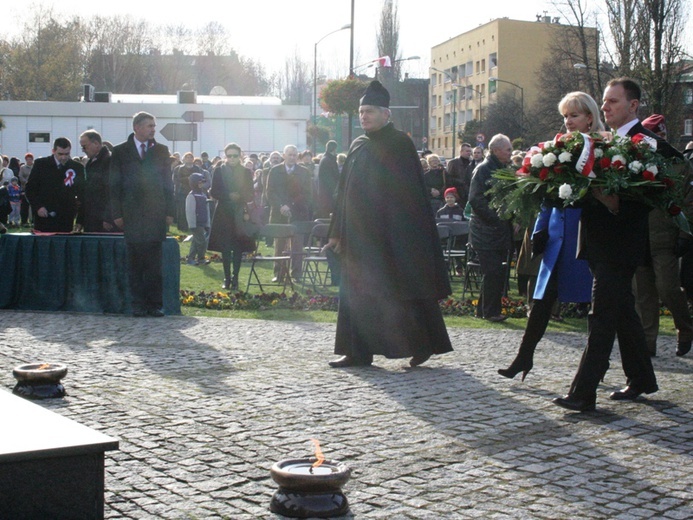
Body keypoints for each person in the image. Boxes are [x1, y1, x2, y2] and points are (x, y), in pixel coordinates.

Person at [324, 80, 453, 368]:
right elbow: (343, 194)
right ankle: (356, 350)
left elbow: (409, 196)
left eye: (369, 111)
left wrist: (398, 233)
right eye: (361, 111)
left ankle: (423, 344)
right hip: (358, 238)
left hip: (394, 237)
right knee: (356, 293)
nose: (364, 116)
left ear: (386, 114)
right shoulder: (358, 145)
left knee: (402, 291)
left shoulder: (400, 144)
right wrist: (336, 232)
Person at [553, 78, 662, 412]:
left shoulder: (645, 142)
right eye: (604, 102)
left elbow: (651, 193)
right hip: (598, 241)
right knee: (624, 314)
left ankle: (584, 390)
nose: (605, 107)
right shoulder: (601, 140)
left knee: (601, 317)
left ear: (633, 105)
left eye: (613, 102)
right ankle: (642, 377)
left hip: (621, 244)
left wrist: (614, 202)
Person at [498, 91, 599, 381]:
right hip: (557, 234)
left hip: (584, 234)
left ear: (589, 117)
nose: (568, 121)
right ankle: (523, 357)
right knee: (542, 298)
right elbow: (546, 193)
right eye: (565, 116)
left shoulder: (600, 147)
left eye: (574, 115)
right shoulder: (555, 148)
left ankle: (601, 365)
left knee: (601, 305)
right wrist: (541, 228)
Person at [632, 114, 692, 357]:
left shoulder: (678, 164)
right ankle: (647, 346)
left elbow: (688, 201)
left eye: (661, 135)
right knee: (643, 295)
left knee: (668, 288)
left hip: (665, 236)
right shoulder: (632, 162)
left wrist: (685, 234)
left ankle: (685, 328)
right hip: (639, 236)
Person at [110, 111, 174, 318]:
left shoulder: (161, 151)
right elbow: (113, 185)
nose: (153, 130)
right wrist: (117, 213)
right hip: (131, 215)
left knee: (154, 264)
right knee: (135, 263)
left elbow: (167, 183)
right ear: (137, 127)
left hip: (155, 214)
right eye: (149, 126)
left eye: (154, 126)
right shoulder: (120, 152)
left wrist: (170, 212)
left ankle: (155, 305)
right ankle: (137, 304)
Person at [468, 134, 514, 322]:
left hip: (497, 230)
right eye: (508, 149)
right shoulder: (483, 169)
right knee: (493, 271)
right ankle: (491, 312)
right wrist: (497, 218)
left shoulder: (502, 168)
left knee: (496, 272)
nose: (510, 153)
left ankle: (483, 310)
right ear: (496, 150)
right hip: (485, 230)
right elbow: (476, 200)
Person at [207, 143, 255, 291]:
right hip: (223, 212)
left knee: (238, 247)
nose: (232, 158)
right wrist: (228, 195)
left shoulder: (246, 172)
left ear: (240, 156)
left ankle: (235, 278)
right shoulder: (219, 171)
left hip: (240, 211)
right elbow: (214, 192)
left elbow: (251, 193)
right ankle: (227, 278)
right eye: (229, 156)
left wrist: (239, 197)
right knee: (226, 247)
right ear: (225, 156)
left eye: (235, 155)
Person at [266, 144, 313, 282]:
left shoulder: (304, 172)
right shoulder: (274, 171)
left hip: (298, 213)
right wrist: (281, 205)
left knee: (297, 245)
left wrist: (291, 206)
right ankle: (279, 273)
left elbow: (307, 193)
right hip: (279, 213)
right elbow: (270, 192)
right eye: (289, 154)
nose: (292, 157)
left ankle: (297, 274)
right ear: (284, 155)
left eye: (294, 155)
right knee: (279, 244)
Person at [25, 137, 85, 233]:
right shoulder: (41, 164)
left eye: (67, 154)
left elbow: (82, 194)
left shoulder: (77, 167)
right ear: (53, 151)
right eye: (60, 154)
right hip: (44, 216)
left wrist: (79, 219)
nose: (64, 157)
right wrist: (38, 206)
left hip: (66, 218)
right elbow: (30, 189)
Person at [79, 129, 116, 233]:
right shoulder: (91, 163)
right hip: (91, 217)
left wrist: (108, 217)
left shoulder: (109, 161)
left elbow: (112, 191)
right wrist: (81, 219)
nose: (83, 150)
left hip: (104, 220)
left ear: (96, 143)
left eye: (84, 146)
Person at [173, 152, 205, 231]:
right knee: (182, 210)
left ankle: (194, 227)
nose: (189, 159)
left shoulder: (197, 168)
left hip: (195, 192)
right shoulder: (179, 168)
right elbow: (176, 180)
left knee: (194, 210)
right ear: (184, 159)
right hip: (182, 192)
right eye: (187, 157)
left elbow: (201, 179)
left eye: (191, 157)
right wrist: (189, 178)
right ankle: (182, 227)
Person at [185, 172, 211, 266]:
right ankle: (201, 258)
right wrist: (192, 224)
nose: (201, 184)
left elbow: (206, 209)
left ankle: (191, 258)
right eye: (199, 182)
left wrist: (207, 223)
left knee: (196, 241)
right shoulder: (191, 195)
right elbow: (190, 211)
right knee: (202, 242)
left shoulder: (203, 194)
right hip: (196, 223)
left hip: (202, 221)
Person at [446, 143, 474, 209]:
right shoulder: (453, 163)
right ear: (461, 152)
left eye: (470, 151)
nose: (469, 153)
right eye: (467, 151)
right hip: (457, 192)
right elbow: (449, 178)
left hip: (469, 191)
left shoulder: (472, 162)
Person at [316, 140, 339, 218]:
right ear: (334, 149)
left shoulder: (325, 159)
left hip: (325, 196)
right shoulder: (328, 161)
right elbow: (330, 180)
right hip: (328, 197)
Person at [18, 153, 34, 227]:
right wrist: (26, 182)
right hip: (25, 188)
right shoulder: (22, 167)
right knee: (24, 206)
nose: (29, 161)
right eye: (28, 159)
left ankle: (33, 221)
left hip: (33, 189)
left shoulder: (34, 167)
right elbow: (20, 176)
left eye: (30, 159)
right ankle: (24, 221)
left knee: (34, 205)